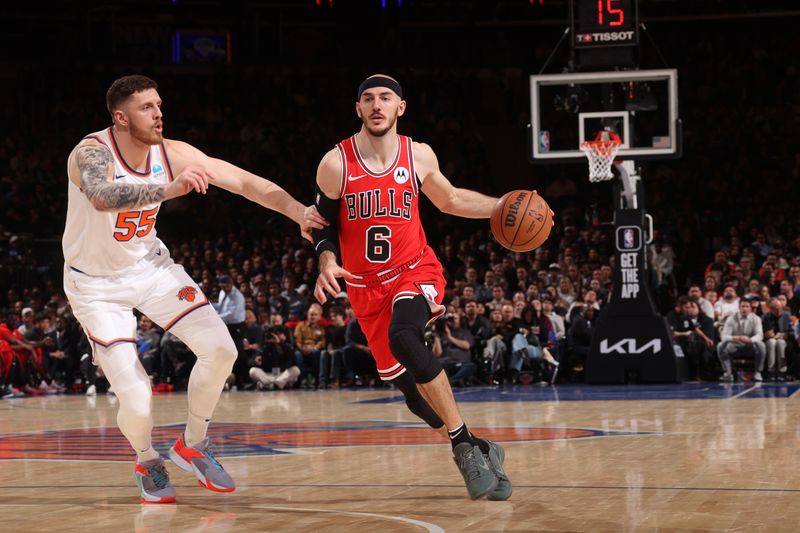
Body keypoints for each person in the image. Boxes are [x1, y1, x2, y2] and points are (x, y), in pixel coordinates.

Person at [62, 74, 324, 503]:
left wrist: (297, 211)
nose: (159, 113)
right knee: (137, 396)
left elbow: (242, 181)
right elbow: (101, 194)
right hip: (96, 286)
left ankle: (193, 444)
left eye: (159, 105)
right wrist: (168, 190)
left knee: (222, 349)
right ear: (120, 117)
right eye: (148, 107)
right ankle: (147, 459)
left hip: (150, 268)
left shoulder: (173, 153)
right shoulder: (90, 151)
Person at [311, 74, 525, 500]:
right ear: (358, 109)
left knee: (405, 335)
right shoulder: (335, 163)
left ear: (400, 107)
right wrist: (327, 260)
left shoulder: (419, 155)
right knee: (418, 403)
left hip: (414, 270)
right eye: (368, 98)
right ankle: (485, 448)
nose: (376, 105)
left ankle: (463, 445)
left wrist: (500, 206)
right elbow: (321, 227)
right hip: (365, 289)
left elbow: (450, 200)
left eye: (385, 98)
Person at [717, 299, 766, 382]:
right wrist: (735, 338)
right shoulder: (731, 318)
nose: (744, 309)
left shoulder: (756, 318)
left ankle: (758, 372)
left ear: (750, 309)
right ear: (739, 308)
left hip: (750, 345)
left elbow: (760, 335)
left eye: (747, 306)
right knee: (720, 346)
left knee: (761, 345)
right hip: (735, 344)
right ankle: (728, 373)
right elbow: (724, 336)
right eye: (742, 306)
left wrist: (750, 340)